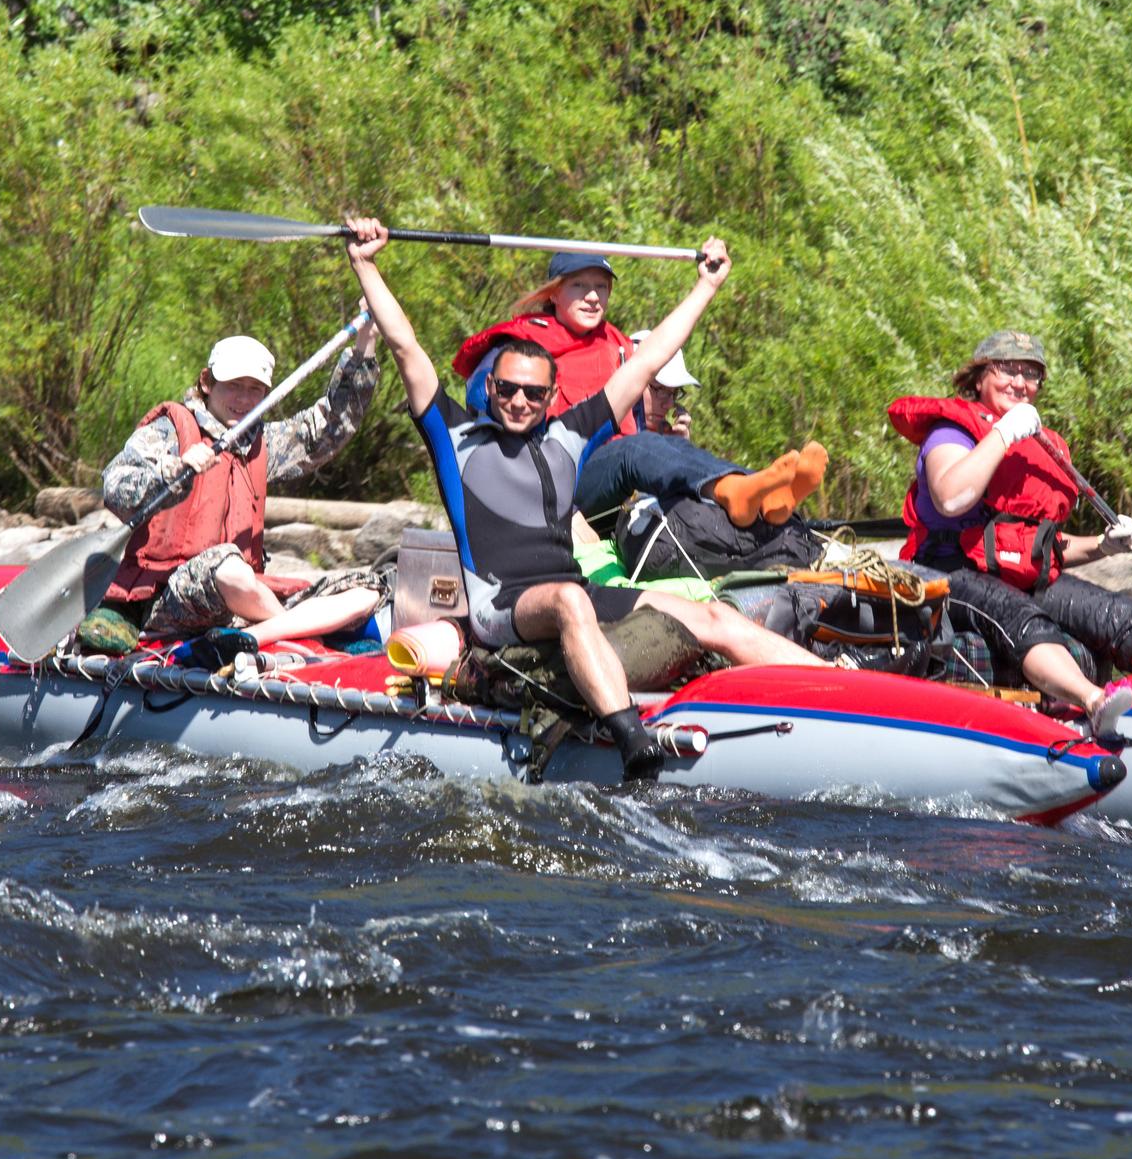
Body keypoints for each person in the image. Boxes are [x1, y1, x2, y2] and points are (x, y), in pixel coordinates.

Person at [346, 217, 833, 778]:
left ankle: (846, 690)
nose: (519, 402)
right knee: (570, 601)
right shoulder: (455, 438)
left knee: (714, 617)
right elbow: (406, 346)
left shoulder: (567, 437)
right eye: (507, 390)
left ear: (551, 395)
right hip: (502, 608)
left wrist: (706, 286)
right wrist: (366, 265)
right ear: (490, 389)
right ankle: (631, 739)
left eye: (533, 393)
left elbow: (647, 363)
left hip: (571, 593)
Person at [889, 329, 1132, 727]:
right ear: (979, 378)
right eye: (1007, 369)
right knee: (1017, 612)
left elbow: (1036, 544)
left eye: (1031, 374)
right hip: (946, 572)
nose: (1019, 382)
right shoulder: (951, 431)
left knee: (1116, 613)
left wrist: (1103, 546)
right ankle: (1095, 701)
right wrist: (1003, 433)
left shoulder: (1037, 445)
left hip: (1015, 575)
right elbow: (952, 498)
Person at [77, 327, 388, 655]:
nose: (243, 399)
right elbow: (115, 486)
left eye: (254, 389)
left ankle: (273, 631)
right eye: (233, 386)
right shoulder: (167, 433)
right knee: (227, 565)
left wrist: (365, 344)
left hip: (239, 601)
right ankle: (303, 637)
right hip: (168, 597)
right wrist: (171, 473)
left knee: (367, 589)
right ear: (207, 383)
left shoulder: (261, 442)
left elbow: (327, 429)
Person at [571, 330, 828, 527]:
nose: (668, 403)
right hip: (580, 497)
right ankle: (757, 493)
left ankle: (770, 497)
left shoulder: (657, 435)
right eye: (658, 389)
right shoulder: (600, 402)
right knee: (638, 449)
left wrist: (677, 450)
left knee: (683, 460)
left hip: (626, 502)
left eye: (674, 394)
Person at [452, 251, 636, 427]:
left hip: (619, 454)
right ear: (553, 294)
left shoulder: (620, 345)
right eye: (578, 285)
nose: (593, 297)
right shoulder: (519, 343)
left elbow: (639, 417)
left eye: (601, 286)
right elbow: (479, 404)